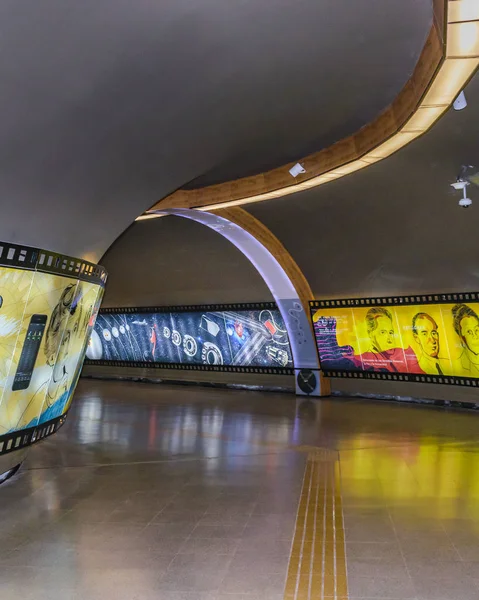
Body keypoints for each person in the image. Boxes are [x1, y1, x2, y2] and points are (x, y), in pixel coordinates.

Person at [352, 307, 423, 373]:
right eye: (383, 332)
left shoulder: (402, 354)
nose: (390, 339)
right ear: (370, 334)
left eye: (391, 332)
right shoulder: (362, 360)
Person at [452, 303, 479, 376]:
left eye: (477, 330)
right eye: (469, 332)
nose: (475, 336)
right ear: (461, 337)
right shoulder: (459, 366)